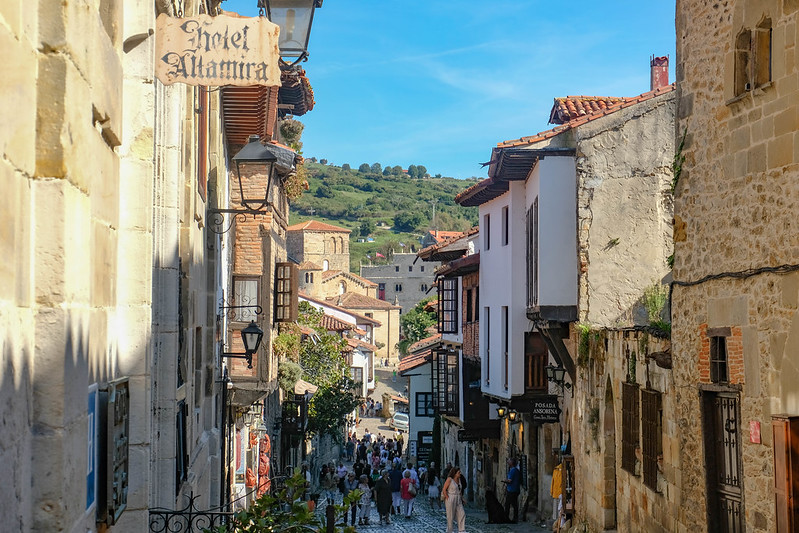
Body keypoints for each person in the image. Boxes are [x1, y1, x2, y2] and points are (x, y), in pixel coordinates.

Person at [442, 466, 466, 533]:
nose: (460, 473)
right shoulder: (450, 479)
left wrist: (462, 498)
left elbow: (459, 490)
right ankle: (450, 530)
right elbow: (444, 489)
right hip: (451, 497)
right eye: (458, 472)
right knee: (450, 515)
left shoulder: (459, 480)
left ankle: (461, 530)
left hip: (458, 498)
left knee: (462, 513)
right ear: (455, 473)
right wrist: (447, 497)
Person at [502, 457, 522, 523]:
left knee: (507, 504)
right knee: (514, 504)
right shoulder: (516, 470)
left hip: (512, 490)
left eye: (509, 461)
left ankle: (506, 518)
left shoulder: (513, 470)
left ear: (511, 463)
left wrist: (504, 481)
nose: (507, 462)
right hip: (515, 489)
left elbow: (510, 480)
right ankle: (515, 518)